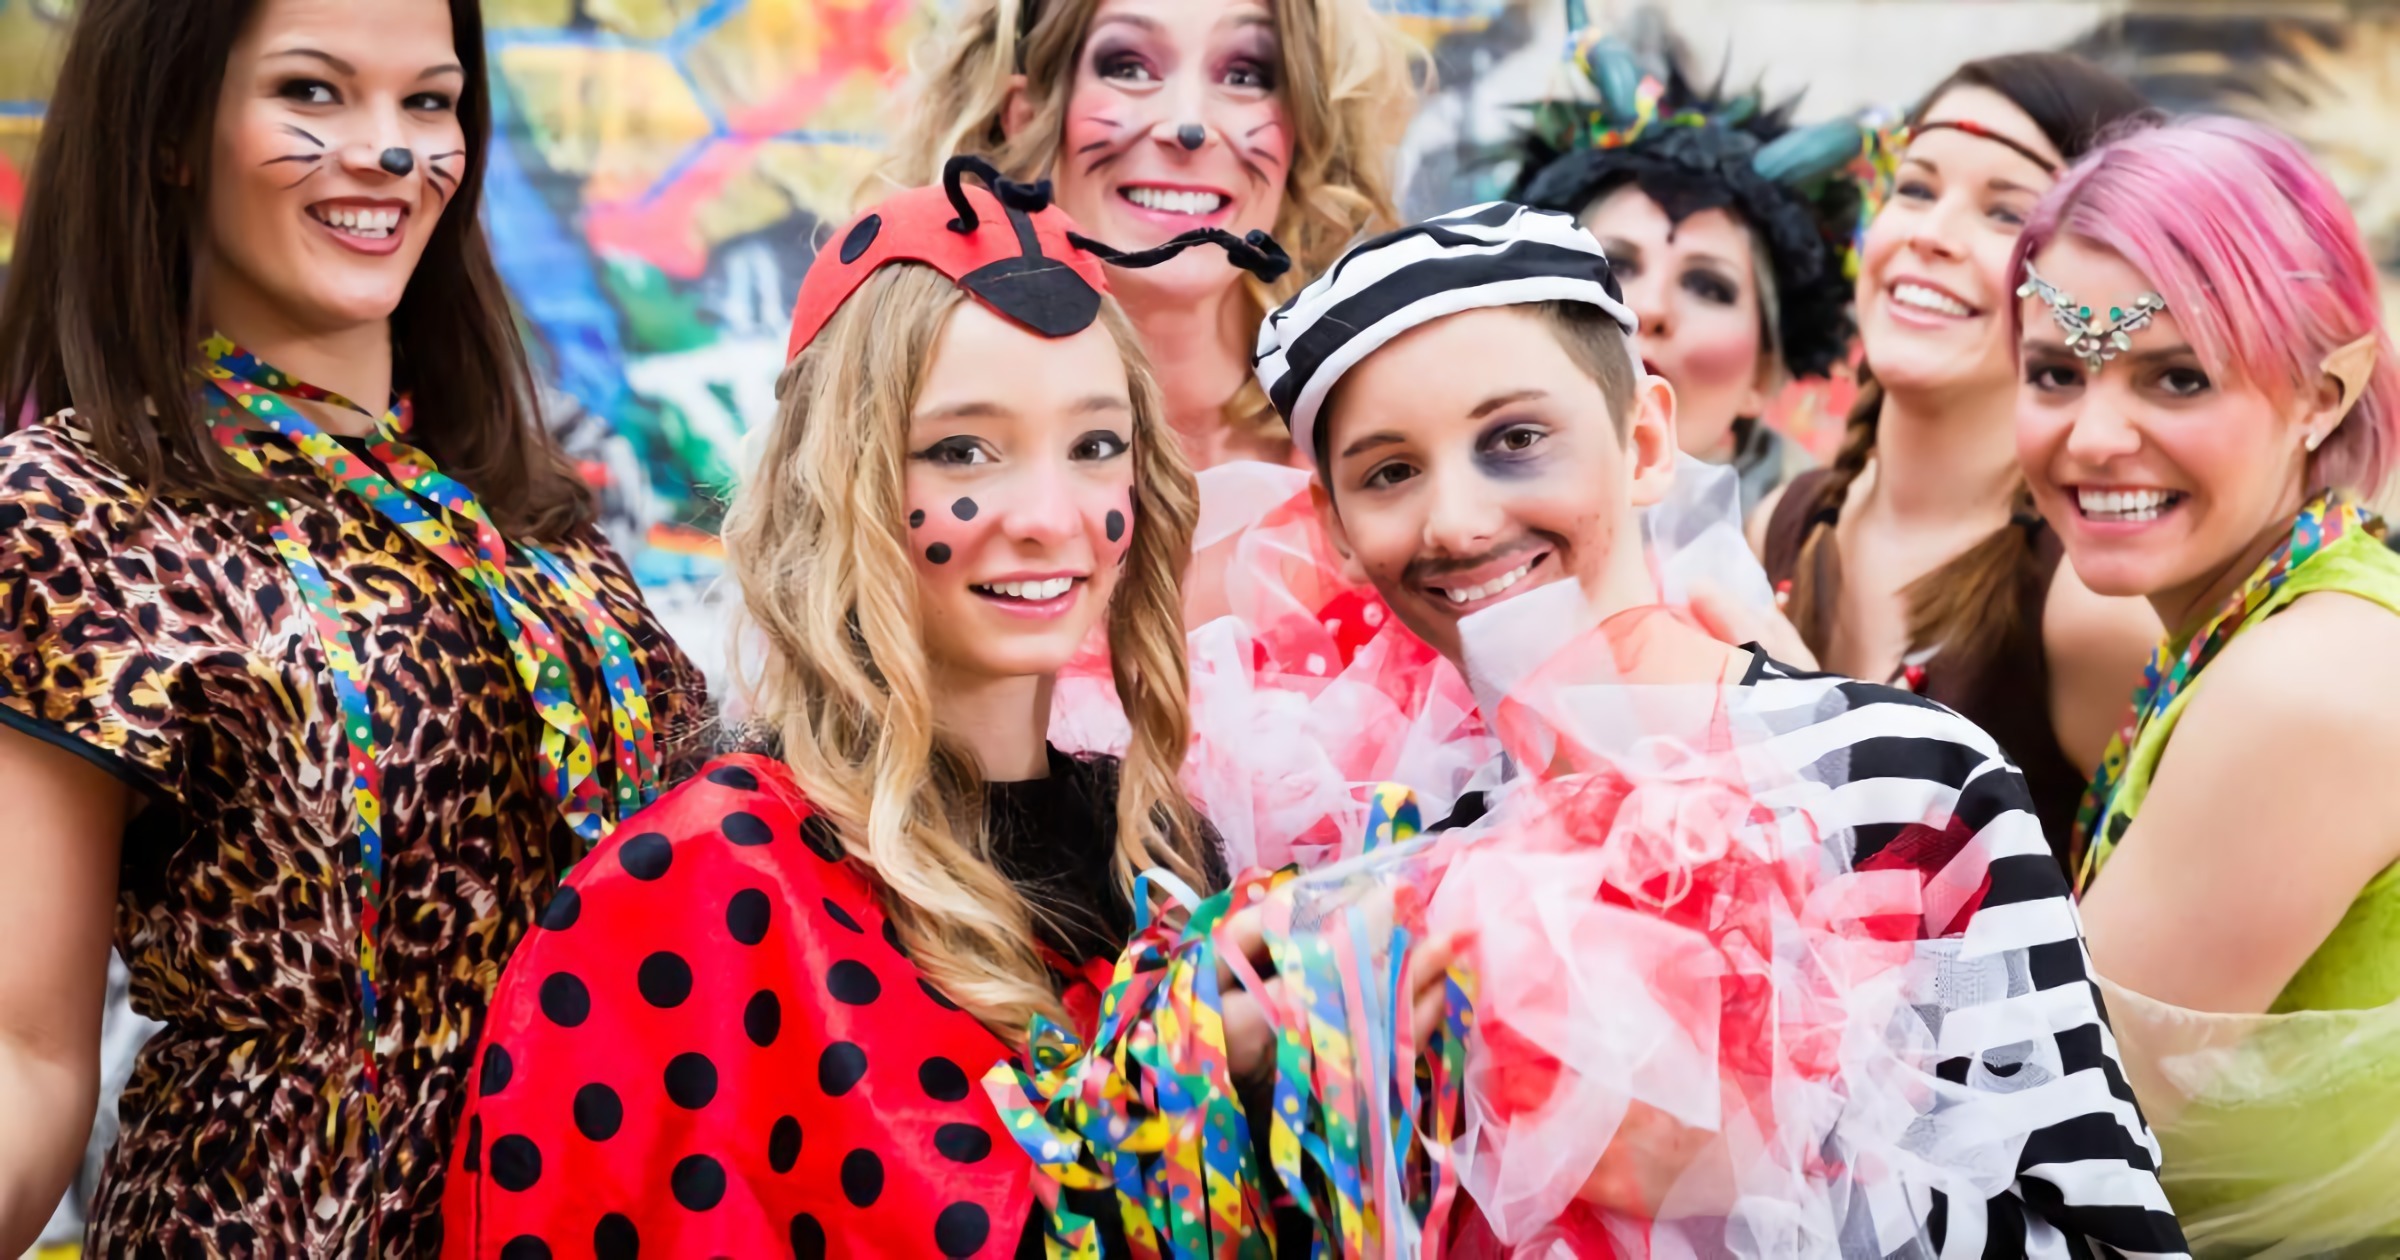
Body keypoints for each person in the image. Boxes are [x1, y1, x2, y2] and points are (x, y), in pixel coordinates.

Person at [1225, 201, 2189, 1253]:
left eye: (1515, 439)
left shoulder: (1901, 791)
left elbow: (2106, 1234)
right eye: (1390, 473)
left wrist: (1748, 1167)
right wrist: (1276, 1069)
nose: (1455, 520)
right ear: (1339, 532)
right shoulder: (1398, 876)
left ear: (1645, 441)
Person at [442, 160, 1304, 1257]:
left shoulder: (1166, 851)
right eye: (962, 451)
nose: (1049, 515)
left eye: (1094, 445)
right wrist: (1188, 1076)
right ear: (841, 481)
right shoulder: (707, 881)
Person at [0, 0, 706, 1253]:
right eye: (314, 93)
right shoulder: (76, 509)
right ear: (172, 131)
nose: (389, 151)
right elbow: (24, 1056)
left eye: (428, 103)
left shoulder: (525, 516)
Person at [2017, 117, 2400, 1255]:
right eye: (2054, 372)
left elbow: (2041, 1123)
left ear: (2322, 398)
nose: (2095, 436)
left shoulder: (2310, 684)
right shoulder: (2210, 626)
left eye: (2177, 378)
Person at [1759, 54, 2163, 869]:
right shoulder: (1784, 520)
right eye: (1914, 189)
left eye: (2005, 213)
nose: (1929, 235)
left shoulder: (2088, 600)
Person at [879, 0, 1418, 470]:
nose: (1188, 127)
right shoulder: (913, 432)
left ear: (1303, 130)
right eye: (1129, 68)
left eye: (1245, 75)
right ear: (1029, 116)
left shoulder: (1380, 434)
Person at [1504, 28, 1870, 518]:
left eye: (1709, 287)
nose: (1651, 307)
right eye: (1615, 263)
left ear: (1763, 375)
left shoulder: (1815, 572)